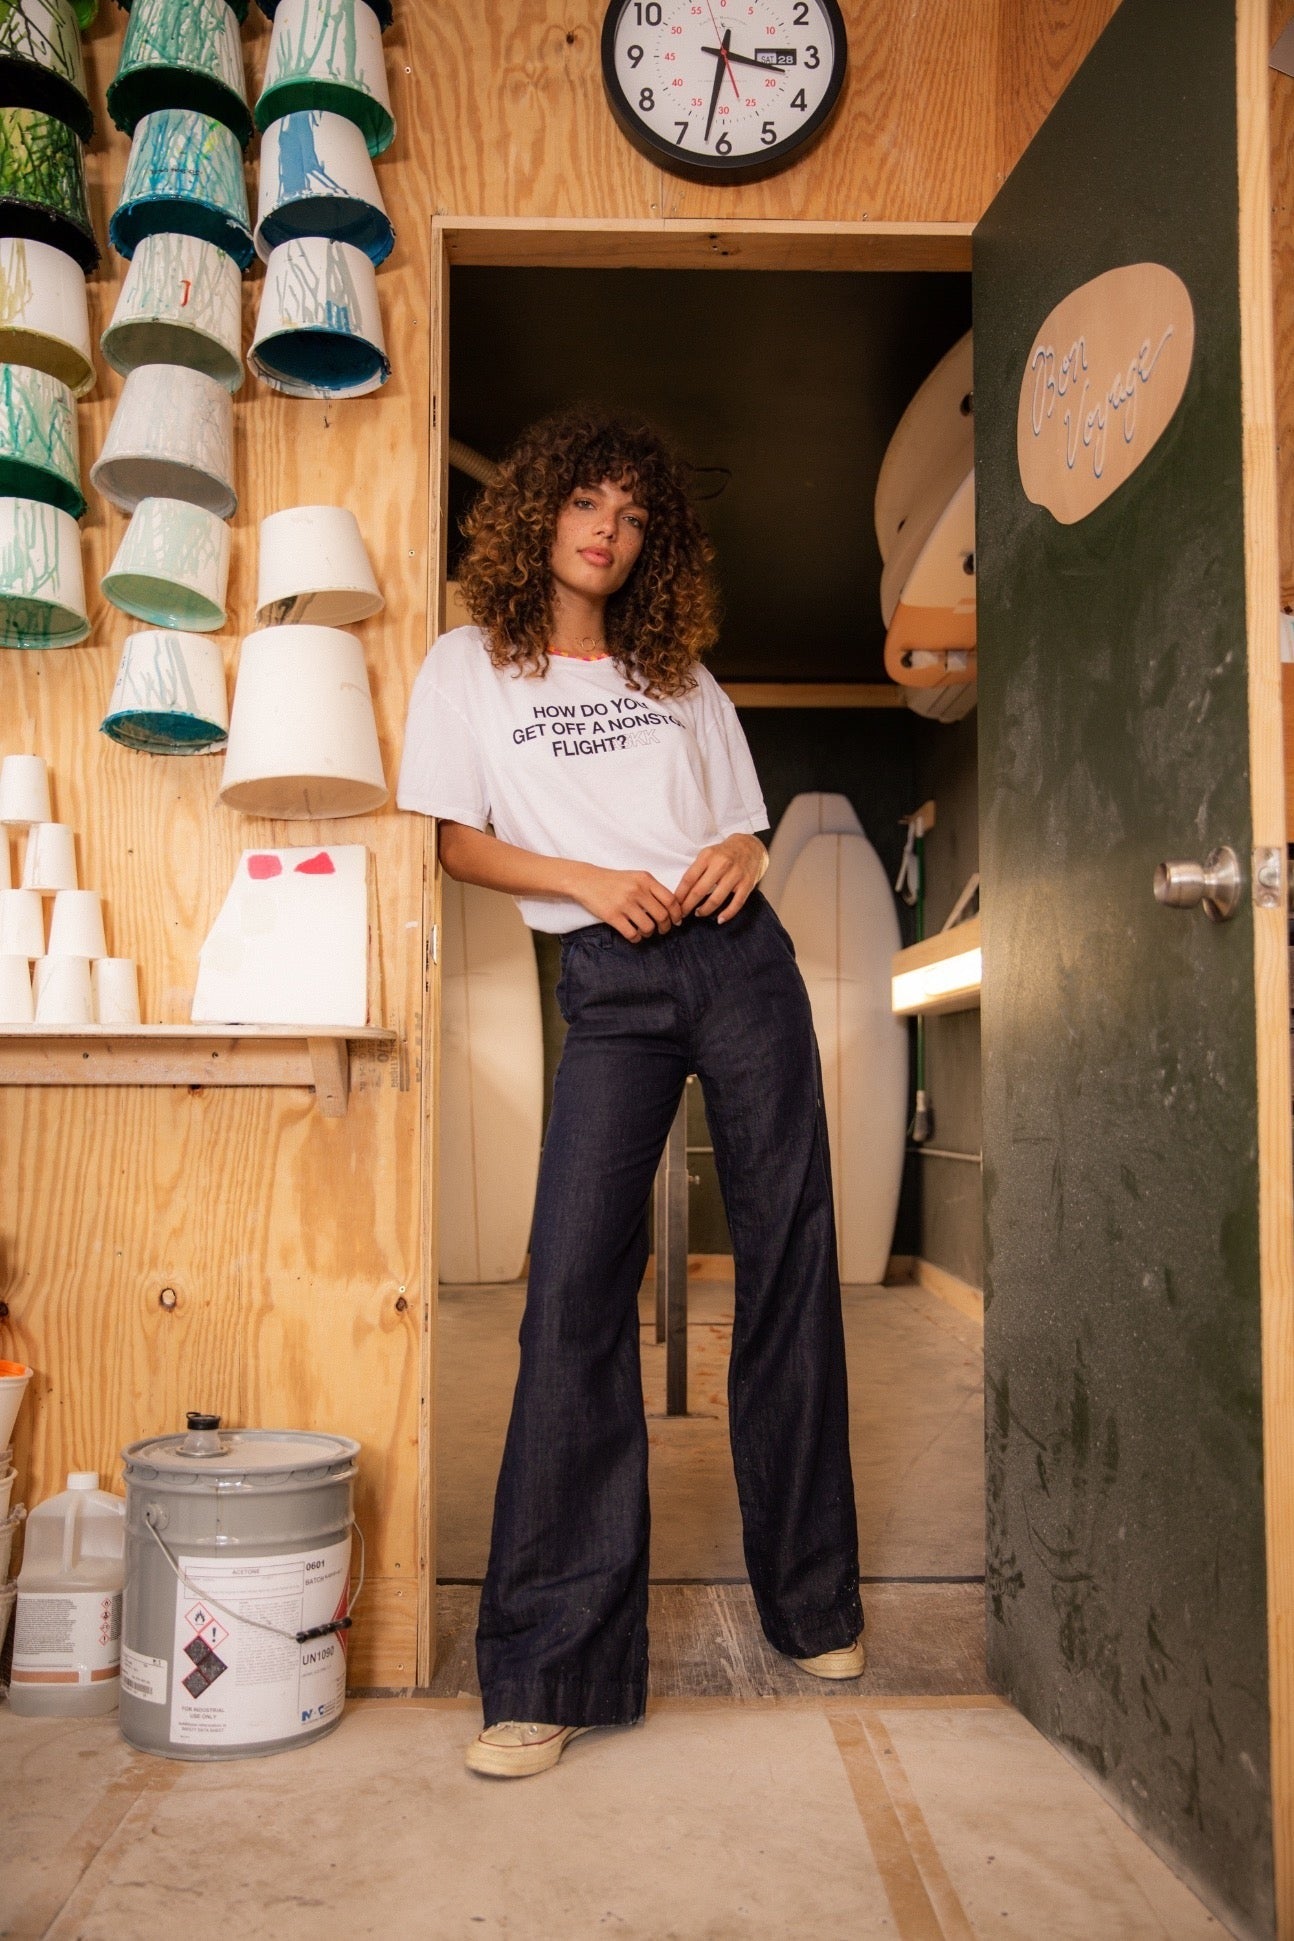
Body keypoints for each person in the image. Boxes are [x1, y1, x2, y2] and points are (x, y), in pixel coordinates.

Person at [398, 408, 864, 1780]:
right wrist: (588, 882)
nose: (606, 529)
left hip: (737, 964)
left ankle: (811, 1600)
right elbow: (451, 841)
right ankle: (547, 1669)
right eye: (585, 503)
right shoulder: (469, 664)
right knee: (573, 1297)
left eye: (632, 515)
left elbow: (740, 822)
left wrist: (740, 848)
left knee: (788, 1259)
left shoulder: (681, 674)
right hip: (608, 971)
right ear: (538, 512)